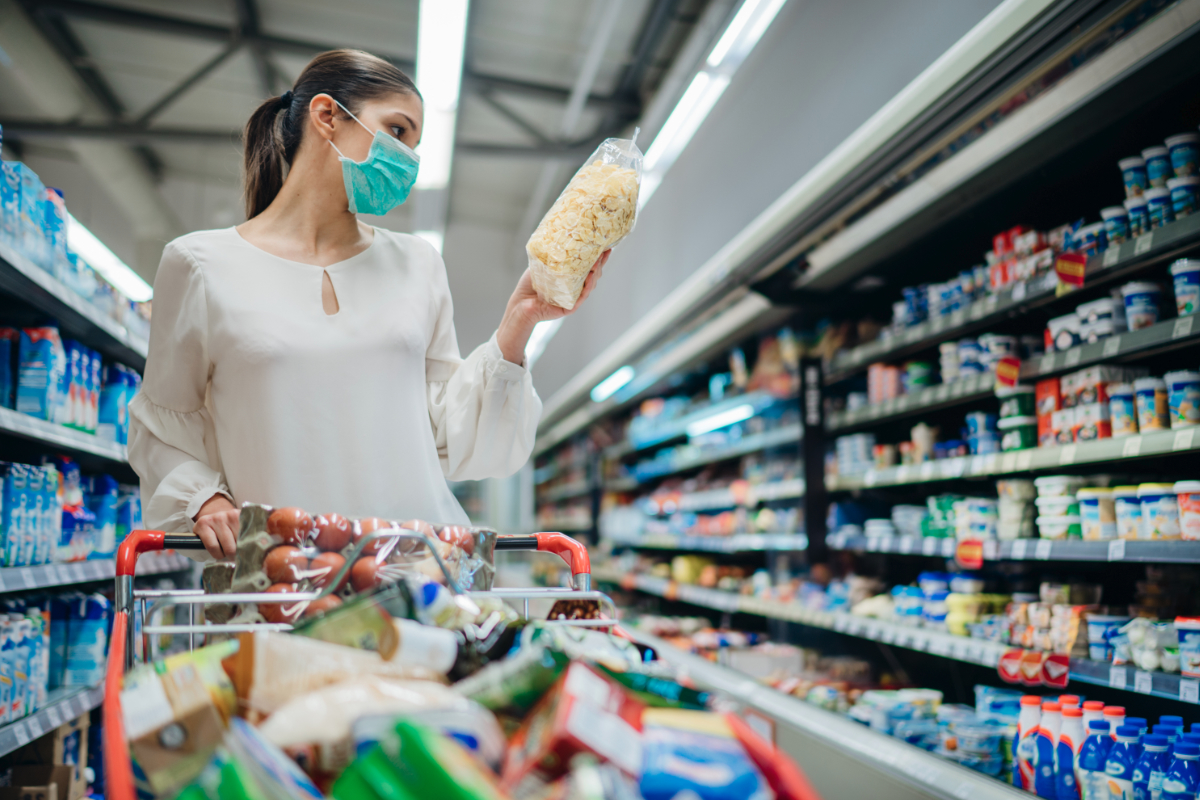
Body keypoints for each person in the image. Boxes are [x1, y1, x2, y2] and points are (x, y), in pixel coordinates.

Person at [128, 49, 607, 560]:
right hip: (282, 579)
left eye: (415, 144)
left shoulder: (418, 264)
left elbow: (450, 434)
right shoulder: (200, 264)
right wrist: (203, 498)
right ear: (327, 116)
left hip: (417, 576)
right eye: (398, 132)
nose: (408, 160)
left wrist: (518, 323)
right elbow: (161, 427)